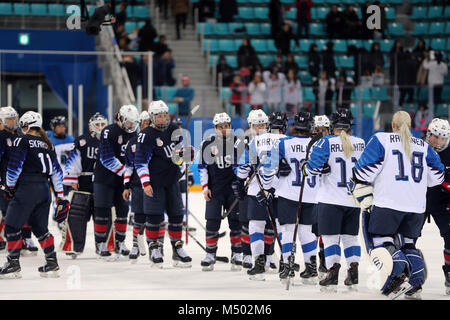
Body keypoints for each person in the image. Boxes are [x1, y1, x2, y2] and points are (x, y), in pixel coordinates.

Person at [351, 111, 444, 299]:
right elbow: (437, 177)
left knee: (380, 242)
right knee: (408, 244)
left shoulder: (381, 140)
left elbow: (362, 173)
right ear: (410, 126)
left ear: (393, 125)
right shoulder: (425, 147)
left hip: (388, 204)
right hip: (416, 207)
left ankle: (397, 276)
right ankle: (415, 283)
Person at [303, 108, 365, 292]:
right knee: (351, 238)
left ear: (333, 126)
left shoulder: (325, 142)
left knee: (330, 239)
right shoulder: (360, 143)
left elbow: (312, 169)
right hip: (353, 200)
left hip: (330, 200)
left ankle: (332, 272)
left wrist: (304, 168)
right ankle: (353, 270)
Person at [0, 111, 68, 278]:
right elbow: (57, 173)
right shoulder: (48, 144)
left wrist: (9, 187)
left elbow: (14, 166)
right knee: (40, 228)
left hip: (27, 187)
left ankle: (13, 264)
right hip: (45, 190)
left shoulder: (21, 140)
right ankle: (52, 263)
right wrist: (60, 195)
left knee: (11, 225)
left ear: (27, 125)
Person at [134, 100, 193, 268]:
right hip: (155, 183)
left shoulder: (174, 129)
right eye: (159, 116)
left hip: (172, 181)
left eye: (165, 115)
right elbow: (140, 163)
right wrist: (145, 183)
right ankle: (155, 248)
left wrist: (187, 155)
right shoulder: (146, 135)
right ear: (152, 117)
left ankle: (177, 248)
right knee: (154, 216)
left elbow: (178, 155)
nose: (163, 118)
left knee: (176, 215)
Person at [265, 111, 320, 284]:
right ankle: (311, 269)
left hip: (288, 194)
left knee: (288, 230)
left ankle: (287, 266)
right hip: (311, 194)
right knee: (306, 231)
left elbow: (268, 169)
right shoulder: (318, 143)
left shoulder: (283, 143)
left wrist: (269, 188)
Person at [233, 110, 287, 280]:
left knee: (269, 226)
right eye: (257, 125)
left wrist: (240, 181)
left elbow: (242, 168)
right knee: (269, 226)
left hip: (264, 189)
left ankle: (276, 262)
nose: (259, 127)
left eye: (262, 124)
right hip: (276, 189)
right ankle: (268, 262)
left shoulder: (253, 141)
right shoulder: (281, 139)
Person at [198, 112, 244, 271]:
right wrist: (205, 187)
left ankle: (237, 254)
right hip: (215, 189)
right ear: (215, 128)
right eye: (220, 127)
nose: (224, 129)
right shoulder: (207, 143)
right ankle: (210, 254)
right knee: (212, 222)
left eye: (226, 126)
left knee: (236, 223)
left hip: (233, 190)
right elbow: (202, 169)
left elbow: (243, 168)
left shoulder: (239, 143)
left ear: (231, 126)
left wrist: (242, 184)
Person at [93, 105, 139, 259]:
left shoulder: (134, 134)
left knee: (122, 211)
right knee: (102, 211)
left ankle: (120, 242)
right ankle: (101, 243)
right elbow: (106, 158)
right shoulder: (109, 131)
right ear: (120, 119)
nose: (131, 126)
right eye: (128, 122)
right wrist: (127, 173)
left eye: (133, 123)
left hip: (122, 181)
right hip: (104, 178)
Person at [61, 113, 108, 258]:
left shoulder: (110, 141)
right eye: (97, 124)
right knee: (77, 217)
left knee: (103, 216)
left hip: (103, 183)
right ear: (90, 126)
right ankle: (75, 246)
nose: (100, 127)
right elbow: (72, 160)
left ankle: (102, 245)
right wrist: (72, 178)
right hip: (83, 181)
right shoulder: (81, 140)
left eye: (103, 124)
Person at [0, 107, 37, 255]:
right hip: (5, 181)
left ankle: (26, 238)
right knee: (8, 212)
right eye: (9, 119)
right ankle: (12, 239)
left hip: (22, 180)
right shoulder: (1, 137)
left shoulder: (21, 135)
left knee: (26, 209)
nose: (13, 122)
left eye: (14, 119)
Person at [423, 118, 450, 296]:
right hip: (419, 200)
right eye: (435, 136)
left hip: (443, 202)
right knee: (408, 237)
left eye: (442, 138)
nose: (438, 141)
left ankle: (449, 272)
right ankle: (405, 272)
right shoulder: (419, 148)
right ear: (429, 135)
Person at [123, 111, 151, 262]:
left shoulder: (158, 140)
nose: (147, 126)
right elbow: (129, 166)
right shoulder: (132, 143)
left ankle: (155, 246)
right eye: (145, 124)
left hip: (155, 186)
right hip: (138, 185)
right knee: (138, 216)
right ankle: (135, 244)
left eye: (149, 123)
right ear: (140, 125)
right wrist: (126, 186)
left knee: (154, 217)